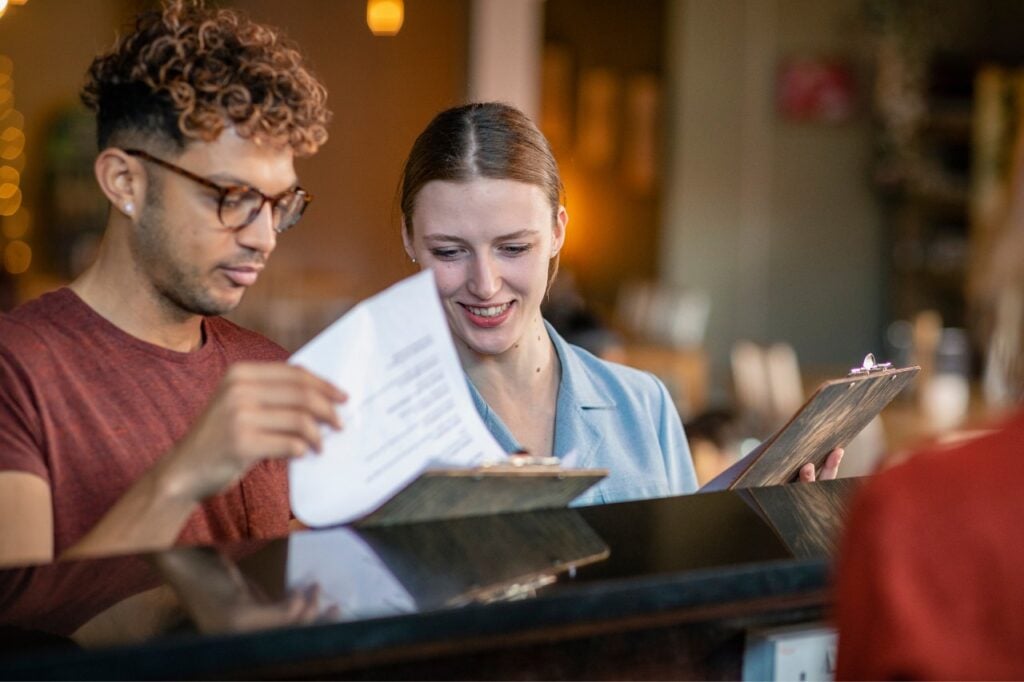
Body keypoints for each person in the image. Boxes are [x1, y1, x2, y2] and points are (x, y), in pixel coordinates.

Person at [0, 0, 345, 567]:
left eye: (279, 204)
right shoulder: (17, 376)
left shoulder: (269, 369)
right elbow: (17, 640)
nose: (265, 237)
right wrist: (181, 477)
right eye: (233, 198)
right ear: (123, 181)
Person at [398, 102, 840, 505]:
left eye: (513, 248)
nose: (485, 284)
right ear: (409, 238)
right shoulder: (377, 424)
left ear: (557, 231)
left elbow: (679, 584)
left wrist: (770, 526)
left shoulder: (642, 405)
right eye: (449, 252)